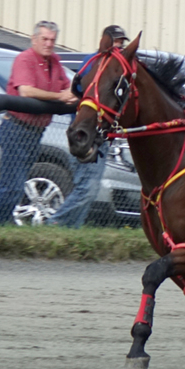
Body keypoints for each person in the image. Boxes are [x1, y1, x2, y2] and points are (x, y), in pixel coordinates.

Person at [0, 20, 76, 225]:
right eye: (44, 39)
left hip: (35, 132)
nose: (48, 43)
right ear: (34, 39)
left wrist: (69, 94)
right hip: (16, 128)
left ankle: (0, 225)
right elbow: (26, 91)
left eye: (52, 40)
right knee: (11, 183)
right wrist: (59, 96)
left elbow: (70, 88)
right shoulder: (25, 59)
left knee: (18, 183)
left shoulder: (54, 61)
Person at [49, 25, 129, 228]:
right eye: (116, 41)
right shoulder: (94, 62)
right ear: (106, 41)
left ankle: (70, 231)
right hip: (86, 131)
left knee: (87, 188)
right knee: (87, 188)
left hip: (101, 133)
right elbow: (78, 88)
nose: (119, 46)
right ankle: (53, 225)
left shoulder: (117, 66)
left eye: (121, 42)